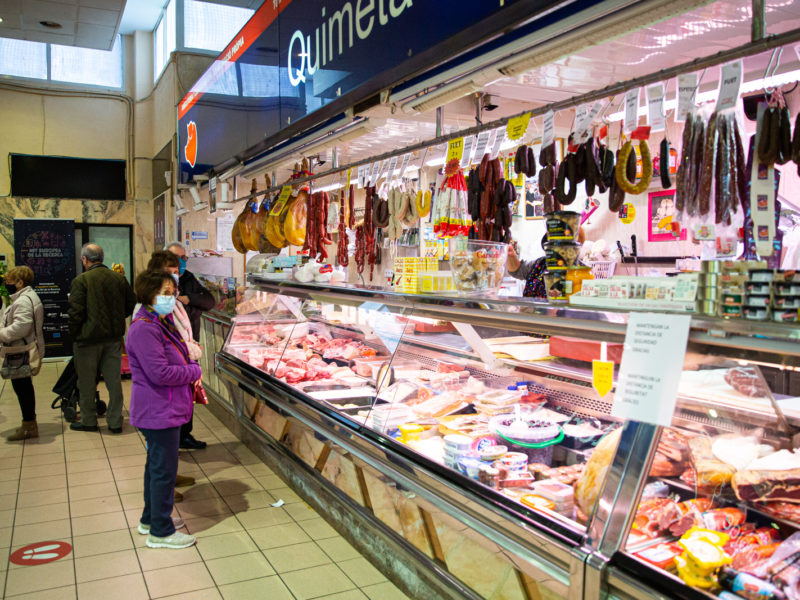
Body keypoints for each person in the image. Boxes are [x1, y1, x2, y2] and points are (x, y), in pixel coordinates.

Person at [128, 270, 201, 549]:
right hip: (158, 409)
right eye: (166, 293)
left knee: (155, 467)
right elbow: (159, 373)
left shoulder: (159, 321)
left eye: (173, 292)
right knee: (163, 471)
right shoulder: (144, 328)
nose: (171, 298)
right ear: (148, 294)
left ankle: (151, 519)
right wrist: (192, 370)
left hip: (164, 407)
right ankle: (161, 531)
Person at [136, 251, 202, 501]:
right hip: (159, 398)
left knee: (164, 454)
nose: (176, 274)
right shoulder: (145, 323)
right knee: (159, 458)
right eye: (170, 270)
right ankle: (158, 520)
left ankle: (167, 485)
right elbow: (159, 369)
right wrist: (192, 366)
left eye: (176, 269)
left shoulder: (161, 314)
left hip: (172, 394)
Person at [67, 243, 136, 433]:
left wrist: (73, 335)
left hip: (87, 340)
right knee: (114, 381)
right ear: (101, 258)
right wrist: (115, 318)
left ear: (84, 260)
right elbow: (131, 304)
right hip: (113, 339)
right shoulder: (118, 279)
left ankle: (89, 420)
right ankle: (115, 422)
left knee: (87, 381)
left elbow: (75, 313)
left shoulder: (81, 281)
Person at [165, 243, 214, 450]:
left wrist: (189, 298)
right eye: (177, 260)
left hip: (189, 346)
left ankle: (184, 435)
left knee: (187, 396)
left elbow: (209, 300)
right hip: (173, 353)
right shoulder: (154, 302)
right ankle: (174, 438)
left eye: (183, 259)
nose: (182, 263)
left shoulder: (188, 279)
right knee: (175, 398)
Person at [0, 267, 44, 441]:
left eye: (10, 281)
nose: (7, 284)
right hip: (23, 349)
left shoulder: (23, 301)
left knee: (23, 388)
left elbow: (21, 327)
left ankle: (29, 425)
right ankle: (29, 423)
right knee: (24, 388)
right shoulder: (26, 297)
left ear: (20, 283)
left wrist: (1, 334)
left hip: (20, 350)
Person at [508, 228, 586, 298]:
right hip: (531, 313)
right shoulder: (540, 264)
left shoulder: (584, 274)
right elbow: (517, 271)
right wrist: (511, 255)